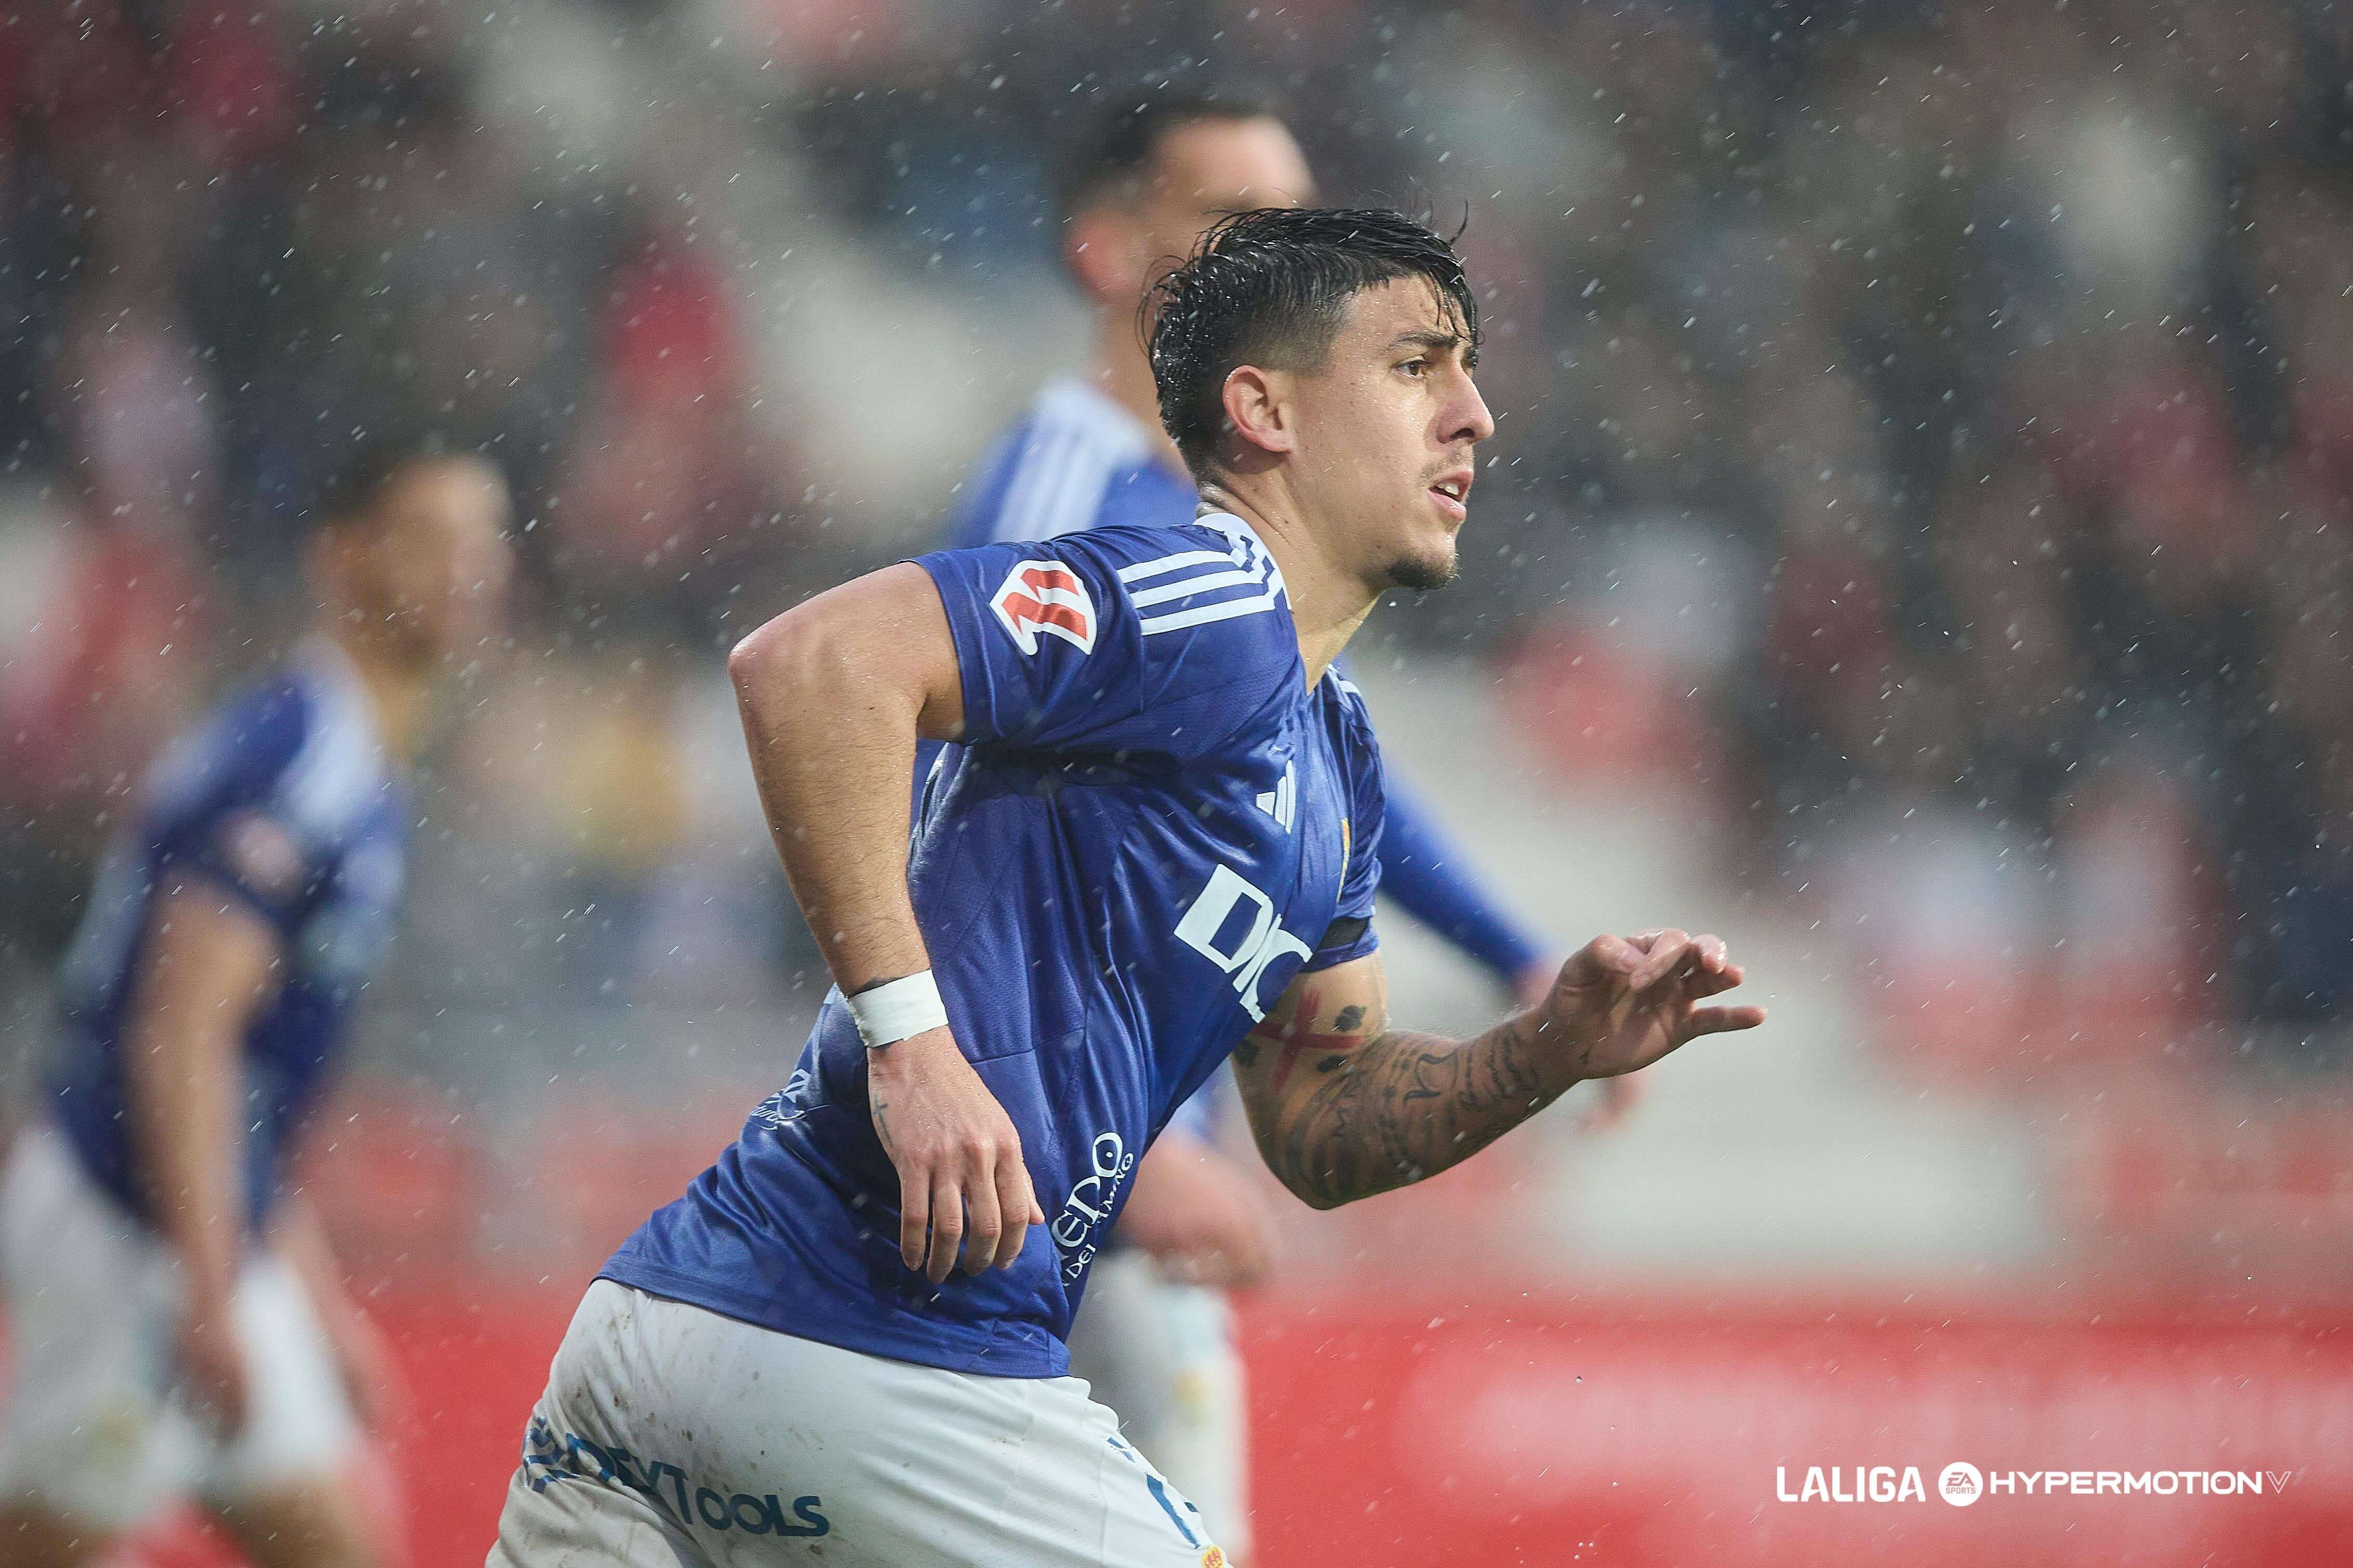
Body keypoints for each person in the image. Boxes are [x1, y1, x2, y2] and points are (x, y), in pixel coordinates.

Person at [490, 206, 1762, 1567]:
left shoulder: (1331, 756)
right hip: (882, 1352)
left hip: (667, 1341)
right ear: (1263, 410)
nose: (1476, 416)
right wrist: (909, 1045)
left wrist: (1546, 1050)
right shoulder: (1202, 598)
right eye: (1416, 366)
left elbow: (1319, 1124)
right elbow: (811, 666)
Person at [950, 88, 1642, 1559]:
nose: (1273, 245)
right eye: (1227, 219)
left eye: (1293, 212)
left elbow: (1318, 783)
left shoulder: (1238, 527)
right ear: (1105, 250)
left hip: (1108, 1153)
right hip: (1051, 1153)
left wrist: (1514, 954)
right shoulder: (1075, 487)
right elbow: (943, 816)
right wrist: (1128, 1148)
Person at [0, 444, 514, 1567]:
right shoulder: (304, 761)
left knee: (338, 1547)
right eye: (429, 535)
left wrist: (308, 1297)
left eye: (486, 540)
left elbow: (245, 1077)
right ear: (341, 556)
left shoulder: (338, 750)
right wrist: (203, 1276)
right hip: (125, 1218)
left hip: (196, 1225)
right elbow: (182, 1028)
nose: (467, 570)